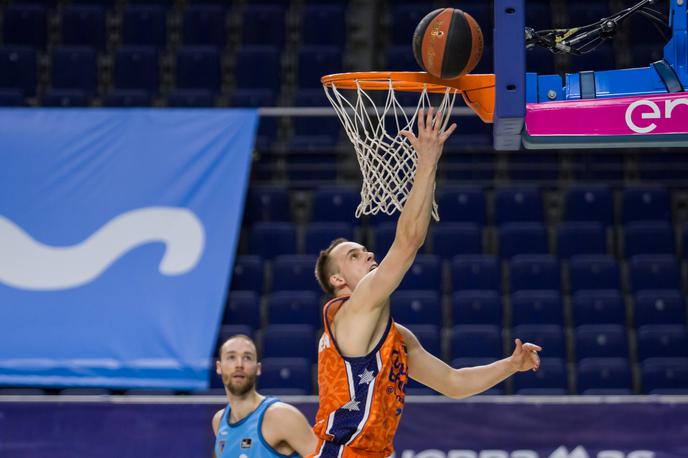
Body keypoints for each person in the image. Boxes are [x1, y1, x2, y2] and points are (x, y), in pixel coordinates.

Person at [310, 108, 543, 457]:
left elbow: (453, 383)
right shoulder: (349, 312)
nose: (369, 254)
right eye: (355, 255)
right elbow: (406, 244)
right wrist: (427, 162)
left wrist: (510, 365)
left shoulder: (397, 337)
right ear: (338, 279)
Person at [212, 334, 318, 457]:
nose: (239, 364)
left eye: (247, 357)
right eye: (231, 357)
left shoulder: (281, 415)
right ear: (219, 367)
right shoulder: (218, 421)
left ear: (258, 368)